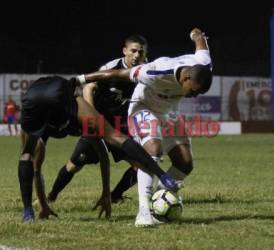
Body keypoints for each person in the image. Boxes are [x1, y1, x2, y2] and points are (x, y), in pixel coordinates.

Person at [76, 27, 212, 227]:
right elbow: (117, 73)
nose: (194, 95)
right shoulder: (155, 71)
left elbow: (201, 43)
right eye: (193, 91)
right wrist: (80, 79)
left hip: (169, 112)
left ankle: (161, 197)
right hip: (143, 107)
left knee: (185, 163)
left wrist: (196, 35)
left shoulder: (204, 65)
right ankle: (144, 213)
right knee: (152, 150)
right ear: (185, 78)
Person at [18, 76, 179, 222]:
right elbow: (103, 154)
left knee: (28, 156)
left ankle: (28, 212)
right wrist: (106, 193)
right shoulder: (81, 114)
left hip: (33, 97)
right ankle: (163, 175)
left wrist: (106, 194)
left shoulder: (40, 130)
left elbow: (37, 170)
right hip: (54, 91)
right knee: (115, 135)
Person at [47, 34, 148, 204]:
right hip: (99, 123)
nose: (137, 55)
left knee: (141, 165)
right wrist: (92, 116)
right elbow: (88, 87)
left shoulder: (147, 70)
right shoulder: (111, 67)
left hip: (120, 126)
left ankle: (115, 196)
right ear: (125, 51)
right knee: (74, 165)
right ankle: (51, 197)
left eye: (141, 52)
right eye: (133, 51)